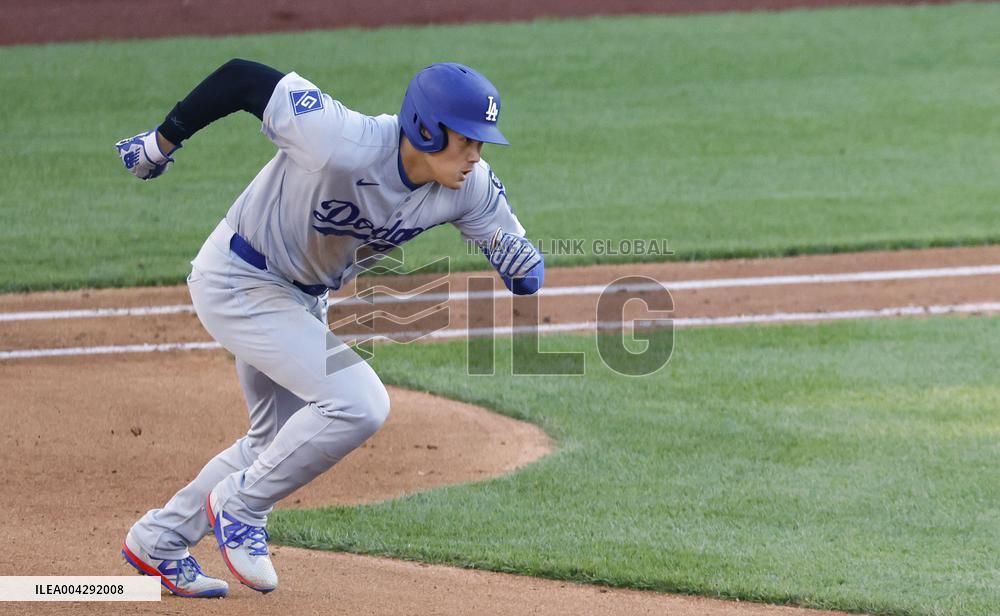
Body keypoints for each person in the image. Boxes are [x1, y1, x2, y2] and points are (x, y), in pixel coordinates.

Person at [114, 59, 543, 598]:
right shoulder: (340, 138)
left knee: (274, 444)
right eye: (468, 140)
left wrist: (520, 263)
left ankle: (160, 539)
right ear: (428, 129)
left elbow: (508, 242)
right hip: (239, 278)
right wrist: (162, 141)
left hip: (302, 301)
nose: (476, 155)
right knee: (360, 402)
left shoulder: (467, 185)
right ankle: (241, 508)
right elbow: (242, 78)